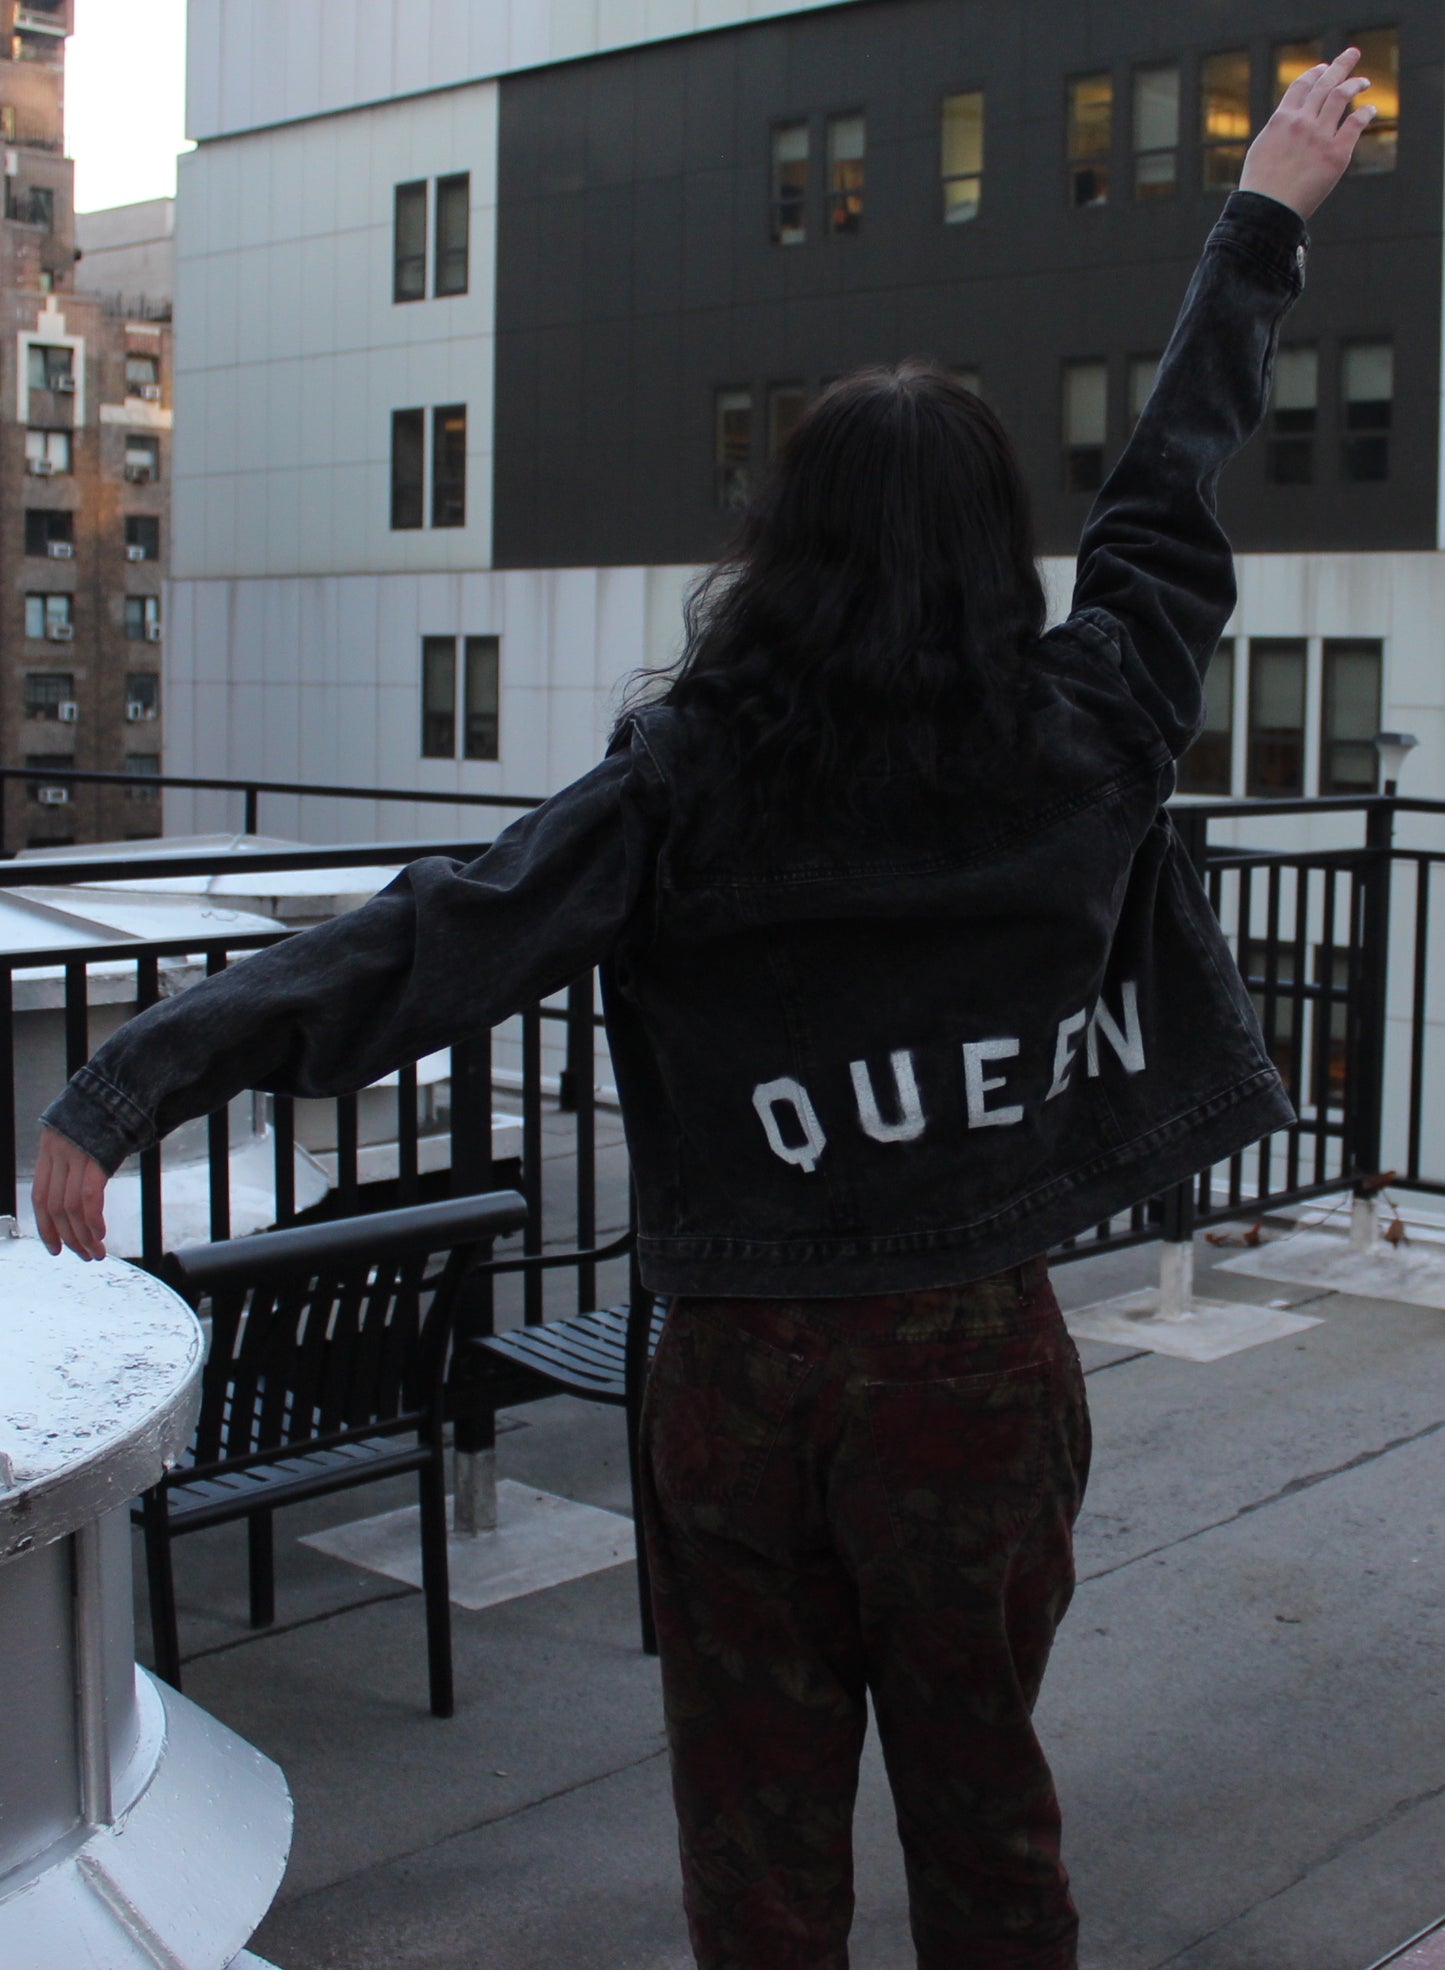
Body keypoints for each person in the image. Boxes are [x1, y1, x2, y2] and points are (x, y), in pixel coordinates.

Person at [34, 54, 1376, 1970]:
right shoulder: (1090, 731)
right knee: (986, 1808)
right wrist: (1260, 214)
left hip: (740, 1376)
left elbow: (435, 937)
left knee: (758, 1844)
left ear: (785, 553)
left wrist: (133, 1080)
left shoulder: (683, 783)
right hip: (972, 1371)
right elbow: (1167, 489)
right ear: (989, 551)